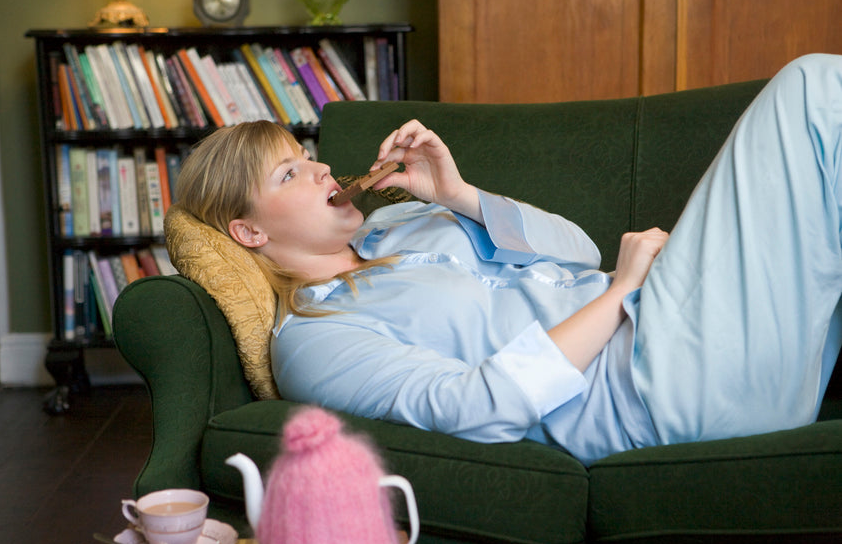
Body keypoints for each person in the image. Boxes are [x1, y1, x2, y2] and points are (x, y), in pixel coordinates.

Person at [173, 54, 842, 466]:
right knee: (812, 94)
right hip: (652, 386)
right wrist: (622, 291)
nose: (319, 166)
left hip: (701, 336)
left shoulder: (402, 221)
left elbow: (577, 250)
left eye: (306, 153)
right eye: (289, 173)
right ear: (249, 232)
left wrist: (457, 194)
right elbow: (474, 408)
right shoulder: (316, 338)